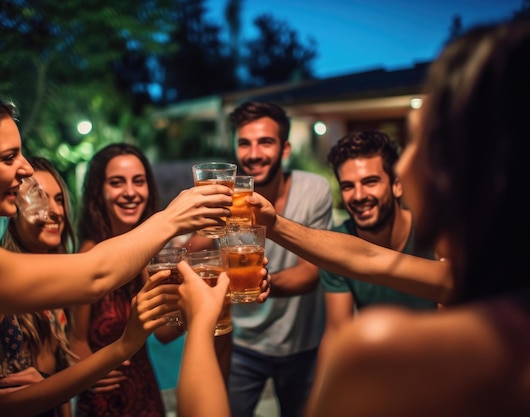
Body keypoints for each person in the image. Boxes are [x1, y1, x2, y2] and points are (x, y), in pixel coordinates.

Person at [176, 16, 530, 417]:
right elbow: (367, 258)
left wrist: (202, 326)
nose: (406, 162)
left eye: (419, 140)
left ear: (468, 169)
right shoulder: (471, 284)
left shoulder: (375, 343)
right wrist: (273, 224)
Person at [0, 87, 232, 417]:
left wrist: (123, 347)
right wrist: (174, 217)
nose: (27, 169)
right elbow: (95, 274)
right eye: (8, 157)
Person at [226, 101, 333, 417]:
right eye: (244, 143)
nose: (253, 153)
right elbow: (197, 247)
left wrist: (264, 282)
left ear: (285, 149)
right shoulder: (226, 196)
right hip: (242, 345)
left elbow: (311, 274)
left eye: (265, 142)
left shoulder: (313, 189)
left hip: (302, 345)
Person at [71, 143, 184, 417]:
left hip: (145, 388)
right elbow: (76, 339)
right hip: (107, 398)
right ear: (99, 191)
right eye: (117, 182)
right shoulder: (90, 253)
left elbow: (164, 333)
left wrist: (196, 304)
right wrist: (89, 376)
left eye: (139, 181)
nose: (131, 192)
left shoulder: (148, 253)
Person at [0, 156, 79, 417]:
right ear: (14, 208)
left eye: (59, 200)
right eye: (41, 197)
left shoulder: (63, 283)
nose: (55, 211)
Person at [317, 130, 438, 376]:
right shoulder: (338, 244)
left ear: (397, 185)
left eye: (370, 182)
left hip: (437, 360)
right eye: (348, 186)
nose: (359, 196)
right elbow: (337, 332)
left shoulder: (434, 233)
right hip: (381, 368)